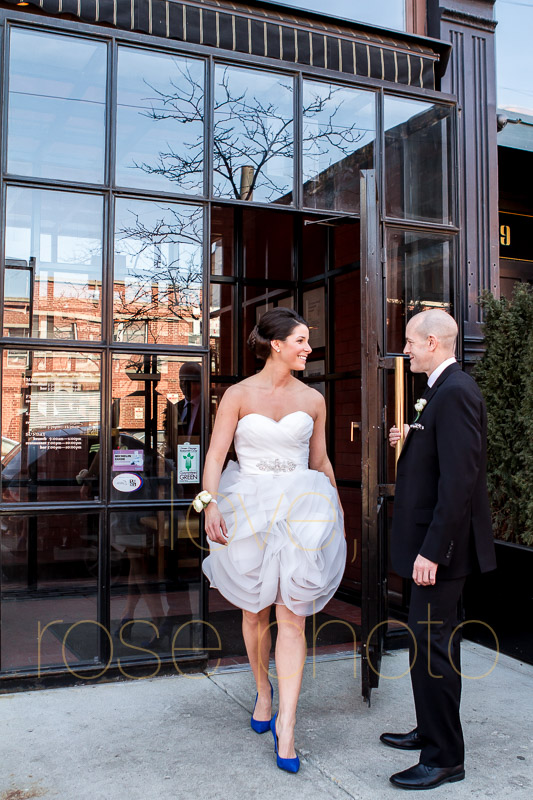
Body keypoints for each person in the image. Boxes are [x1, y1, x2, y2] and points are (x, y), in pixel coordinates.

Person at [200, 307, 346, 774]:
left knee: (294, 616)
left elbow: (320, 461)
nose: (308, 347)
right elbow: (216, 454)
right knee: (253, 610)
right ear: (277, 345)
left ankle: (287, 723)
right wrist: (210, 503)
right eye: (301, 340)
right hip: (248, 506)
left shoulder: (315, 399)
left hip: (302, 510)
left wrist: (336, 505)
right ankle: (262, 692)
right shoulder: (238, 395)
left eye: (308, 340)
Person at [382, 309, 496, 790]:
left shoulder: (456, 393)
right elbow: (441, 460)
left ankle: (445, 756)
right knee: (428, 644)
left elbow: (460, 481)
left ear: (432, 342)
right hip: (427, 545)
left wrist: (433, 551)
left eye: (409, 341)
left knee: (434, 649)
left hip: (439, 551)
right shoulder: (439, 392)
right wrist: (411, 440)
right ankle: (431, 729)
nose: (404, 349)